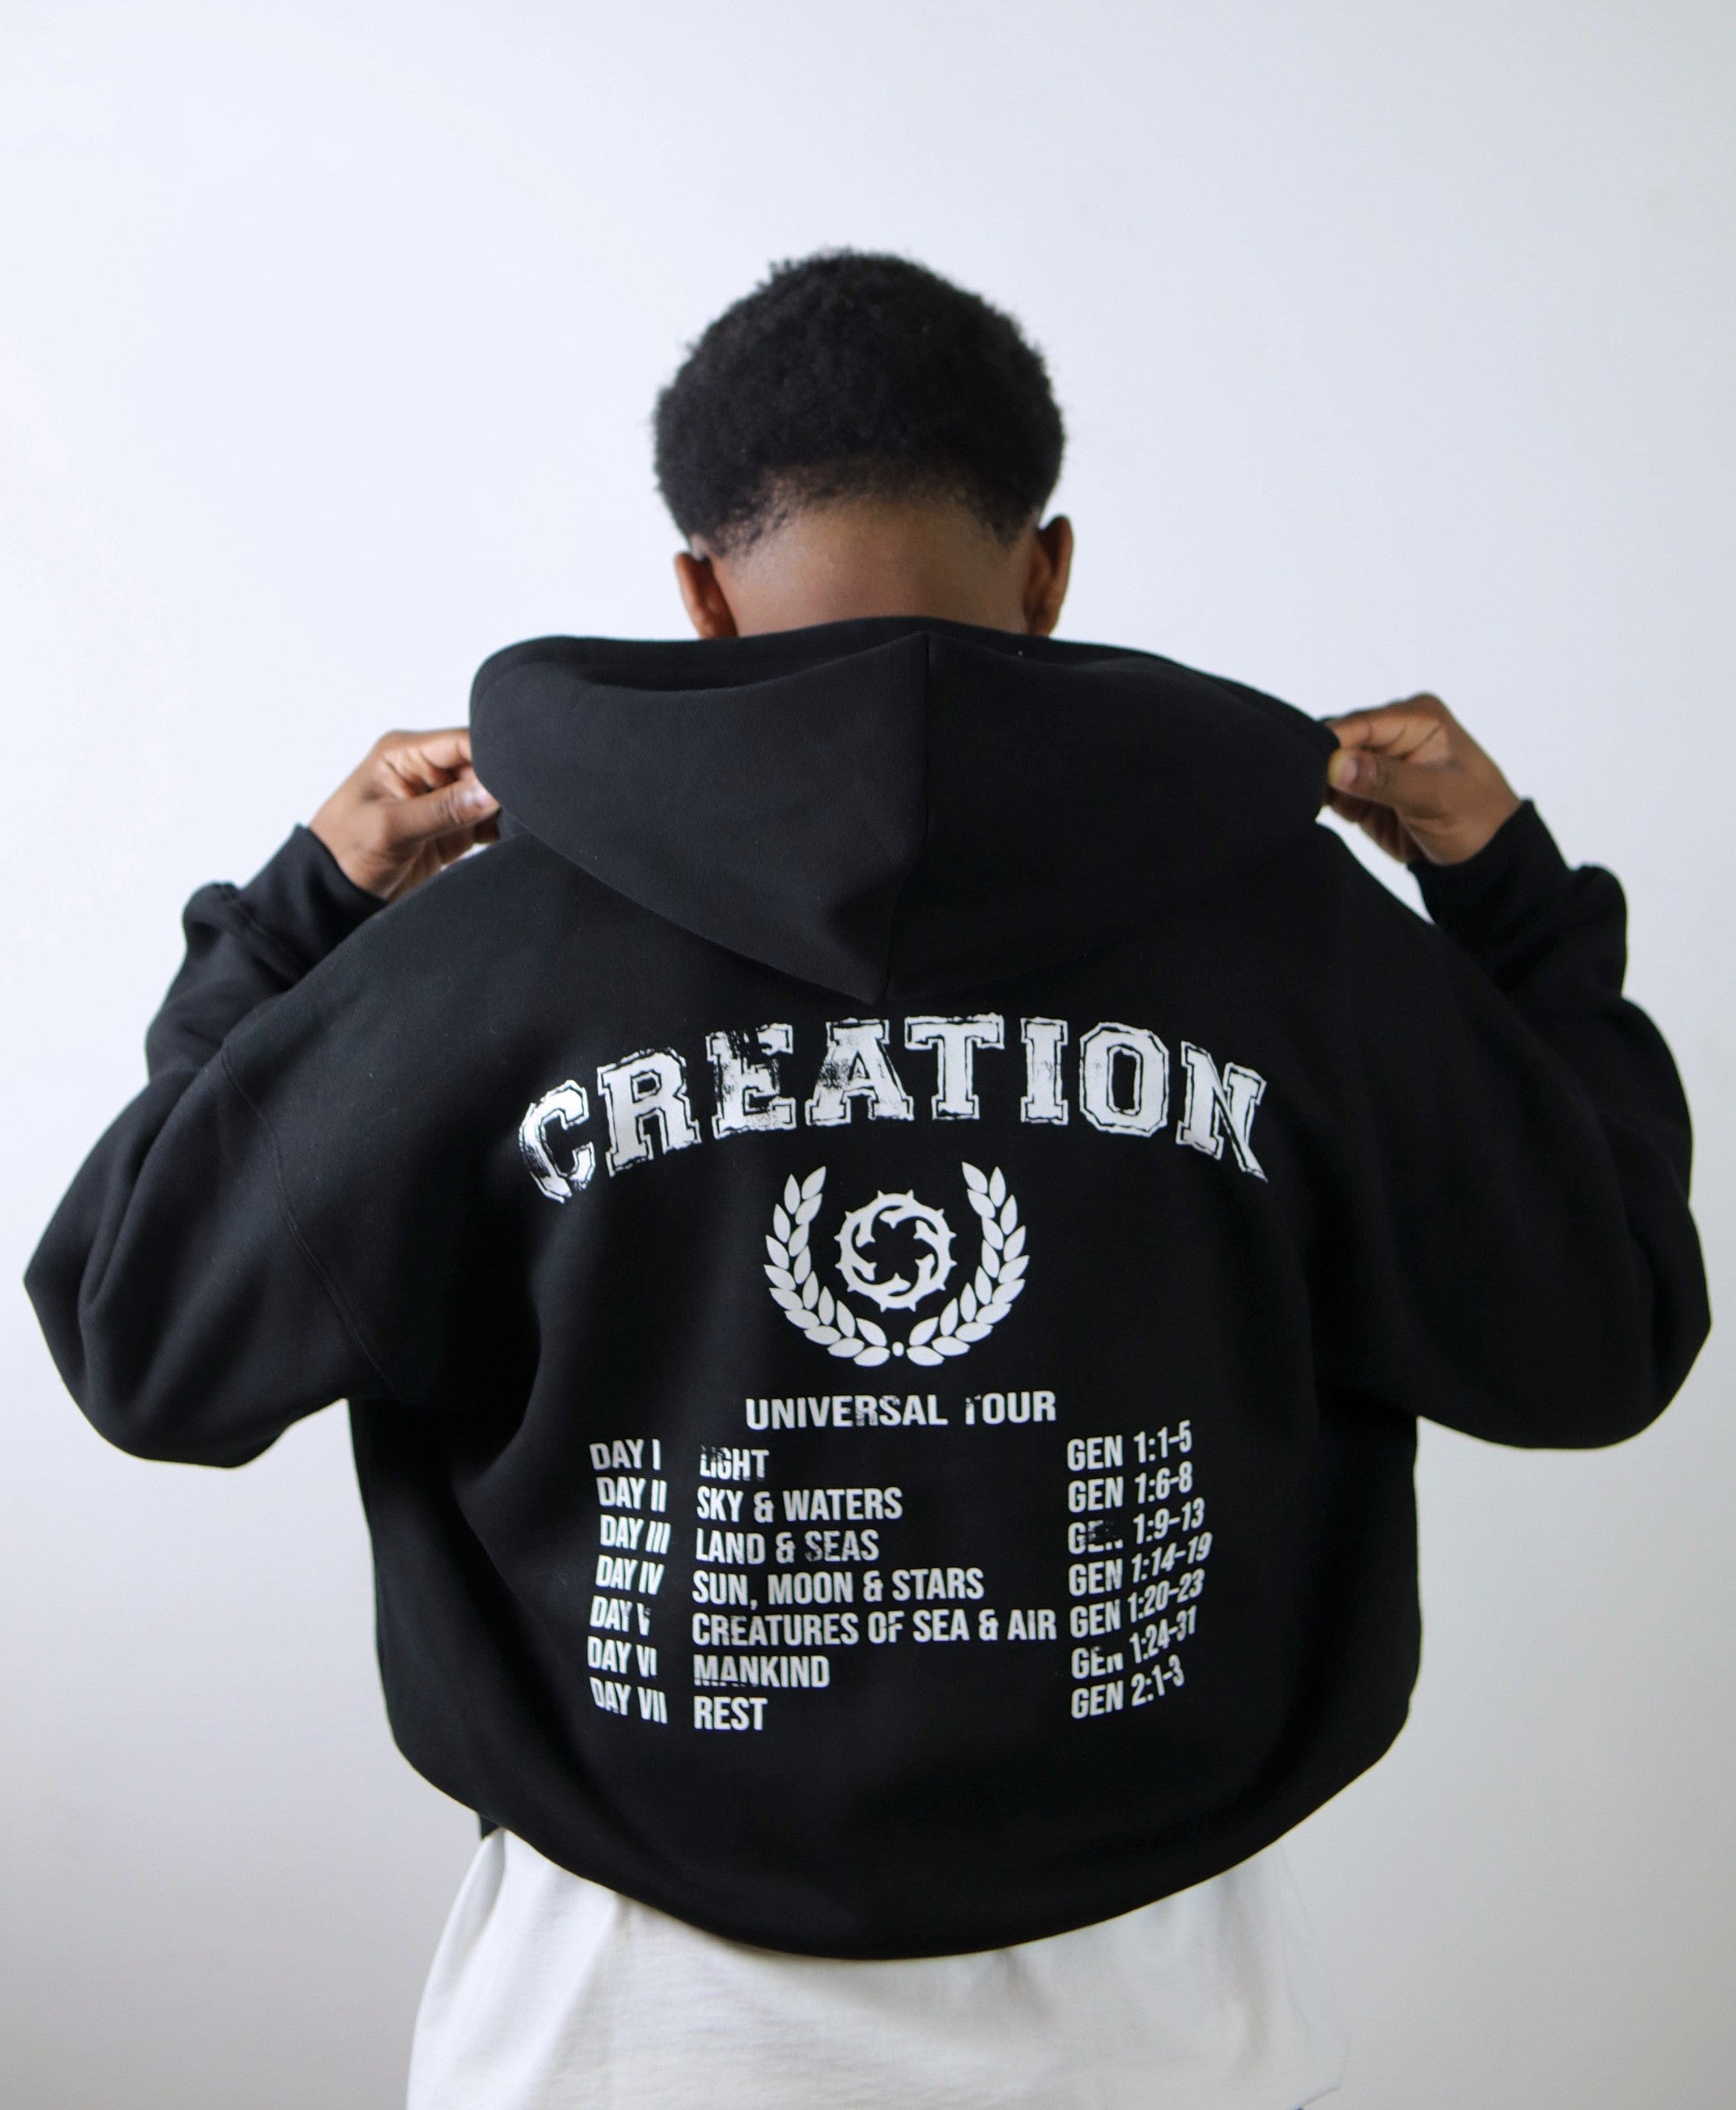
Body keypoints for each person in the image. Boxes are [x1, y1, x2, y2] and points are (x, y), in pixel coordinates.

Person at [27, 251, 1708, 2110]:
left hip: (615, 2032)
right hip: (1167, 2025)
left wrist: (297, 920)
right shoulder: (1293, 941)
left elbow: (141, 1334)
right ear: (1046, 571)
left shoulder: (487, 959)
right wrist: (1511, 907)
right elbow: (1600, 1331)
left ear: (697, 592)